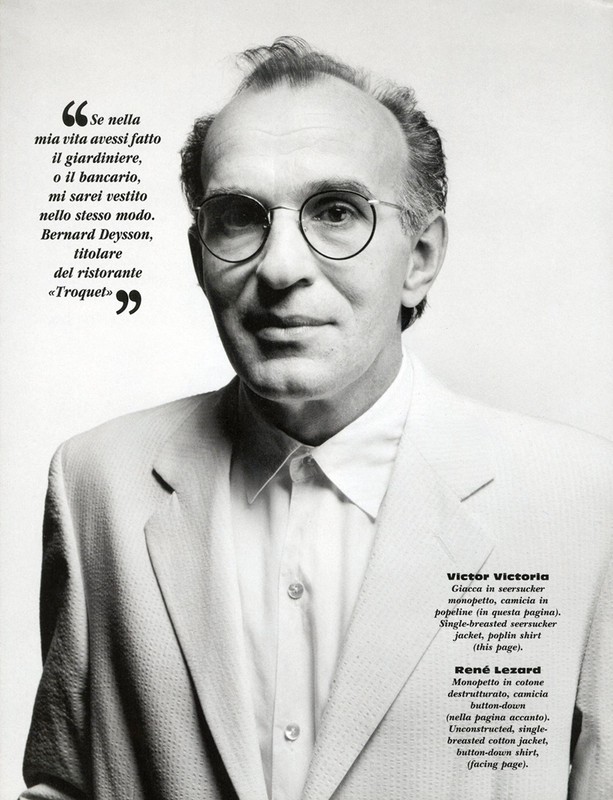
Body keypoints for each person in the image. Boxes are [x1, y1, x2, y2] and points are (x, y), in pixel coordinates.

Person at [22, 37, 612, 800]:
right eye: (237, 217)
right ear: (198, 256)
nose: (278, 267)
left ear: (420, 256)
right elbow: (63, 783)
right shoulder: (95, 482)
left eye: (336, 212)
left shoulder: (581, 499)